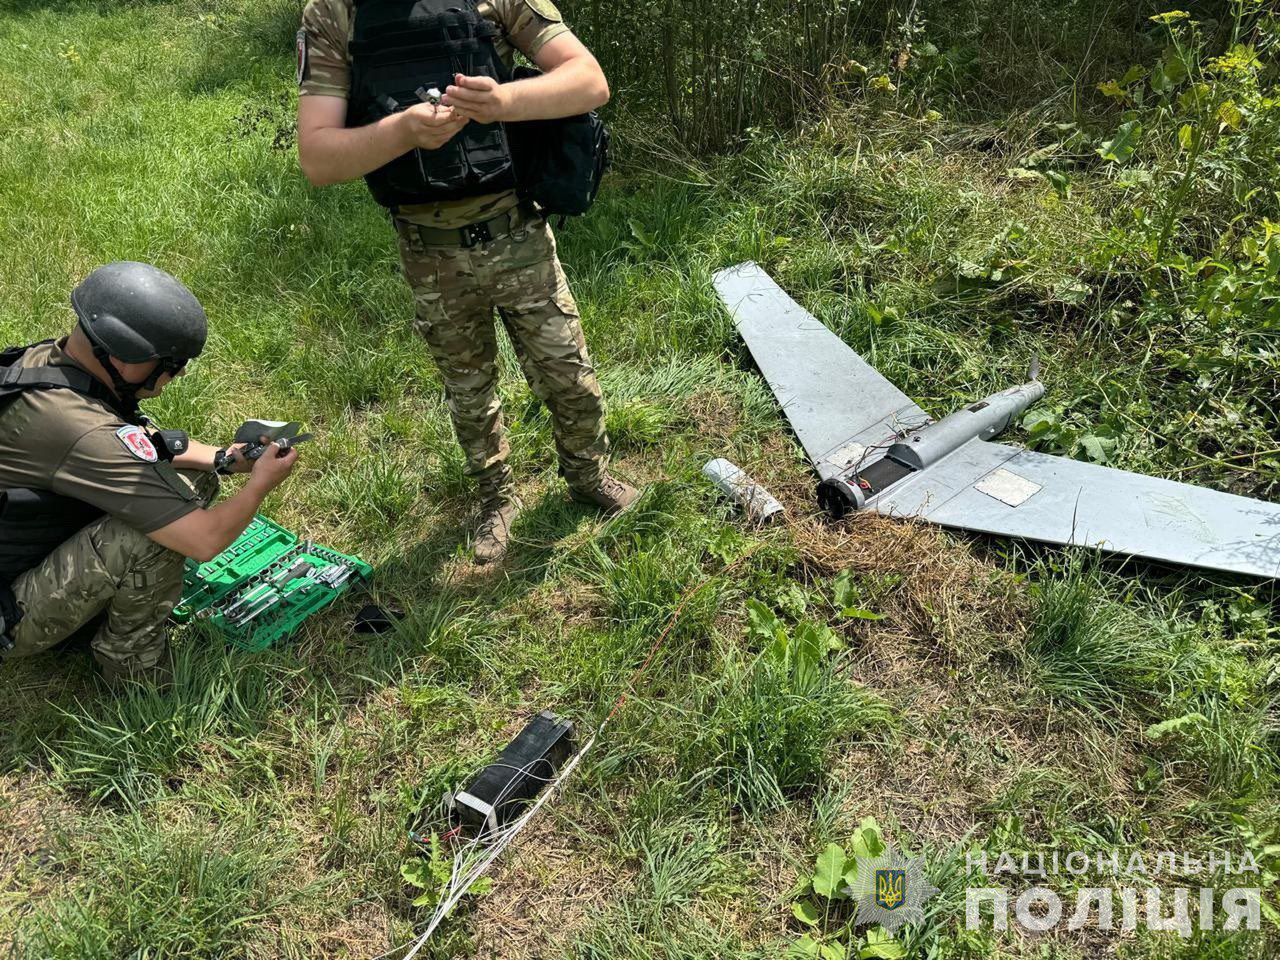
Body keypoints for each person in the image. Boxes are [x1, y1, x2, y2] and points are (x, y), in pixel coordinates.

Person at [296, 0, 637, 564]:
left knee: (568, 373)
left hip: (517, 232)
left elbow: (588, 81)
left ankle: (589, 474)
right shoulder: (334, 14)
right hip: (429, 252)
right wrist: (404, 130)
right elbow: (318, 157)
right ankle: (495, 499)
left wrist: (503, 101)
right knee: (470, 394)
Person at [0, 262, 299, 685]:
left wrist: (221, 457)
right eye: (171, 363)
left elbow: (136, 439)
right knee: (149, 536)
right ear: (121, 354)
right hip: (11, 613)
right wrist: (259, 485)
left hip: (16, 549)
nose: (177, 374)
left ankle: (105, 604)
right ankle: (133, 668)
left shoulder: (55, 363)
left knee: (189, 484)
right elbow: (204, 540)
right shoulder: (80, 432)